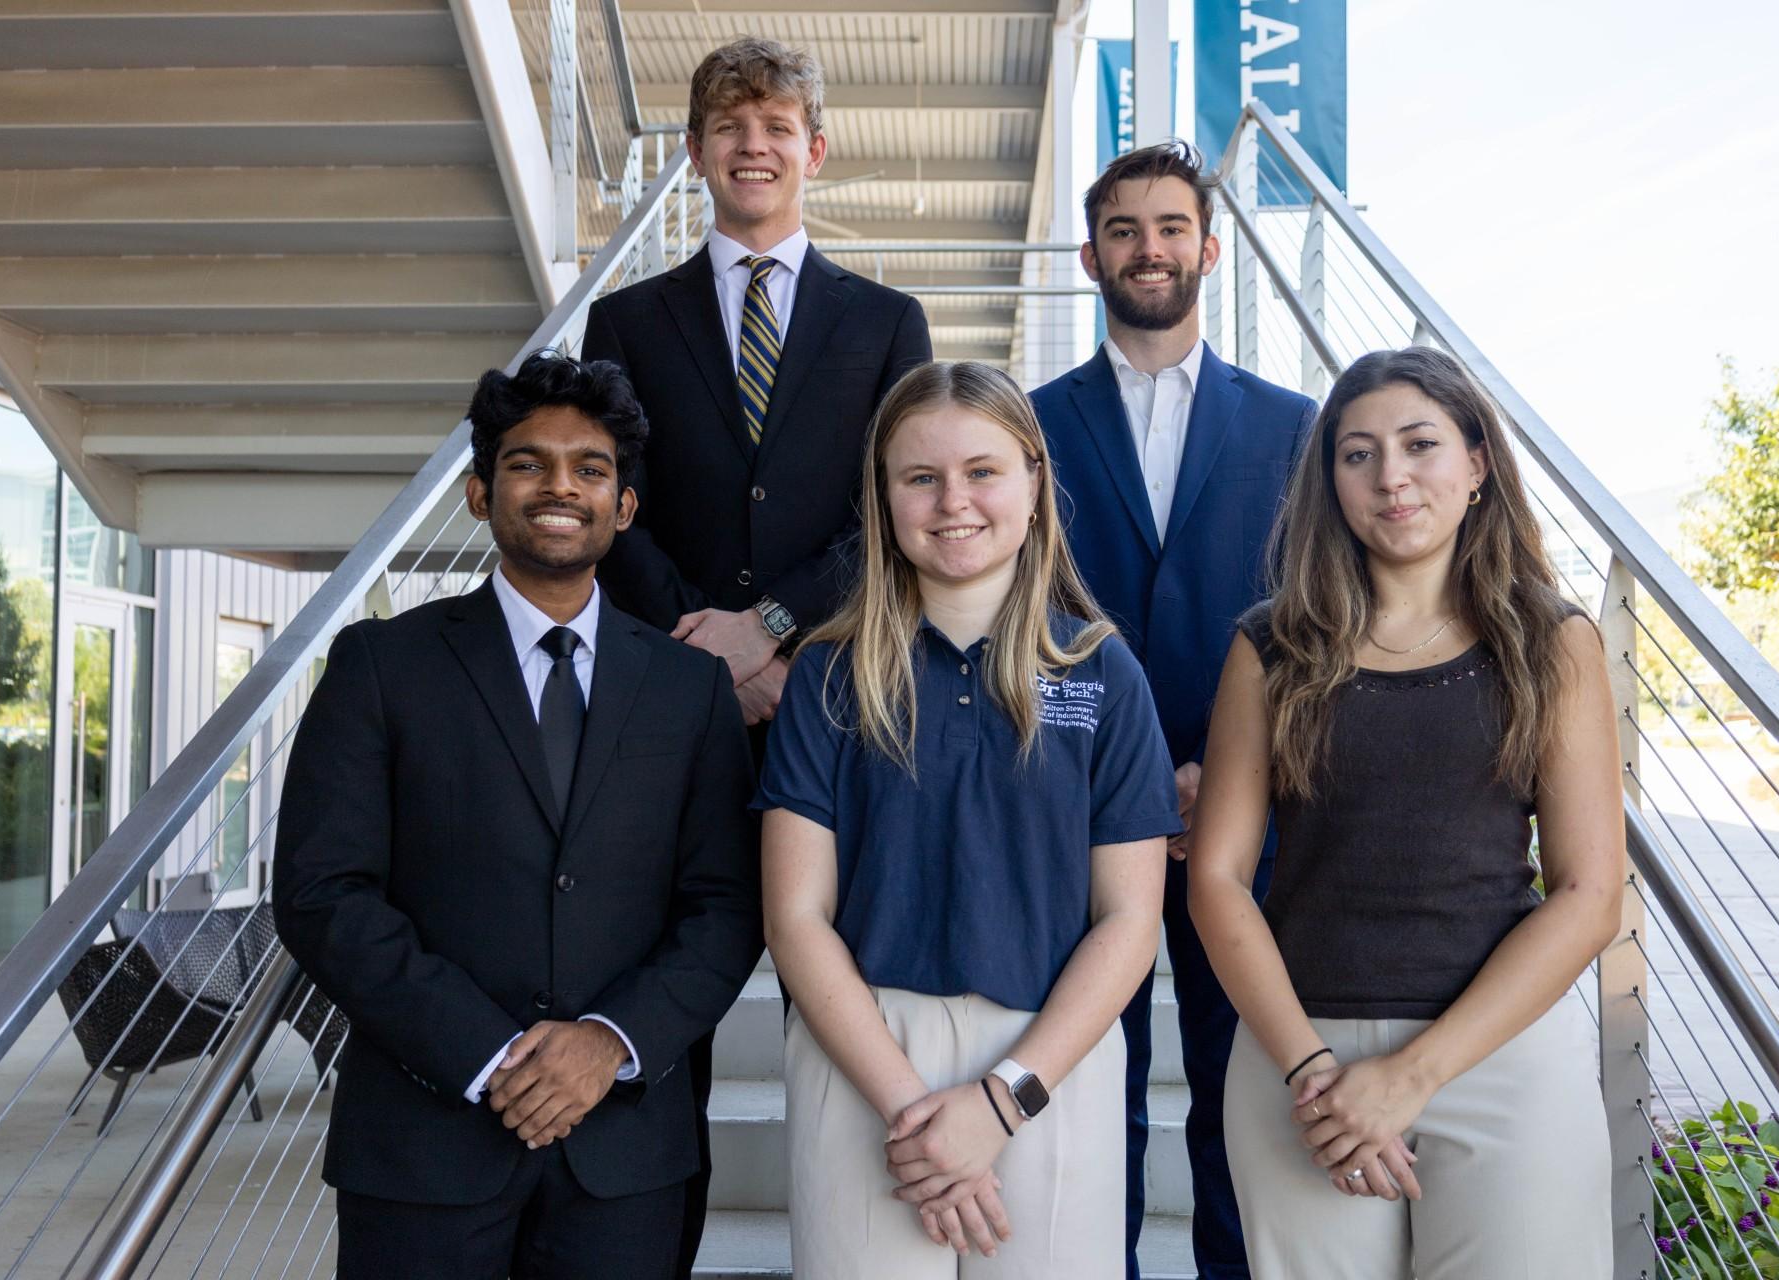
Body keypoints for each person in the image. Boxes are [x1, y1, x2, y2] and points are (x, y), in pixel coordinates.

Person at [272, 354, 762, 1279]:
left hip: (624, 1156)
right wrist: (490, 1054)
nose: (560, 486)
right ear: (478, 494)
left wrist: (607, 1044)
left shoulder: (691, 688)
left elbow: (728, 905)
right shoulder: (380, 666)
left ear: (623, 506)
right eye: (528, 463)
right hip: (425, 1144)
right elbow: (321, 892)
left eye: (590, 468)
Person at [583, 45, 929, 1265]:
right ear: (695, 151)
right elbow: (610, 497)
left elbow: (896, 510)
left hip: (825, 710)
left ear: (814, 150)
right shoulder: (628, 320)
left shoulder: (886, 323)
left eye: (777, 125)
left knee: (832, 1002)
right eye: (729, 126)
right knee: (652, 1004)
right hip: (662, 714)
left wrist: (771, 630)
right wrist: (702, 648)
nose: (754, 145)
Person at [1185, 346, 1622, 1278]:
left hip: (1501, 1057)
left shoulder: (1550, 642)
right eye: (1358, 454)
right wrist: (1311, 1071)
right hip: (1304, 1064)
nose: (1391, 477)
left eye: (1421, 444)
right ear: (1330, 481)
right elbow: (1216, 878)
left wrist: (1413, 1076)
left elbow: (1590, 895)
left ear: (1477, 464)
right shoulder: (1271, 647)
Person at [757, 360, 1182, 1278]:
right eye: (921, 476)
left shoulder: (1103, 672)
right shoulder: (829, 674)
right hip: (863, 1054)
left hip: (1047, 1060)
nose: (953, 501)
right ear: (884, 498)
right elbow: (794, 918)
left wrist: (999, 1102)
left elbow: (1129, 920)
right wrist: (911, 1110)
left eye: (982, 470)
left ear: (1034, 481)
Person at [1028, 139, 1316, 1280]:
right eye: (1122, 231)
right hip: (1076, 808)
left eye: (1168, 228)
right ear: (1091, 256)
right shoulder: (1031, 424)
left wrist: (1225, 777)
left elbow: (1311, 619)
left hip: (1242, 821)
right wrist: (1139, 779)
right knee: (1089, 1092)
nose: (1147, 249)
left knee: (1237, 1096)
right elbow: (1026, 612)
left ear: (1208, 248)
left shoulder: (1293, 423)